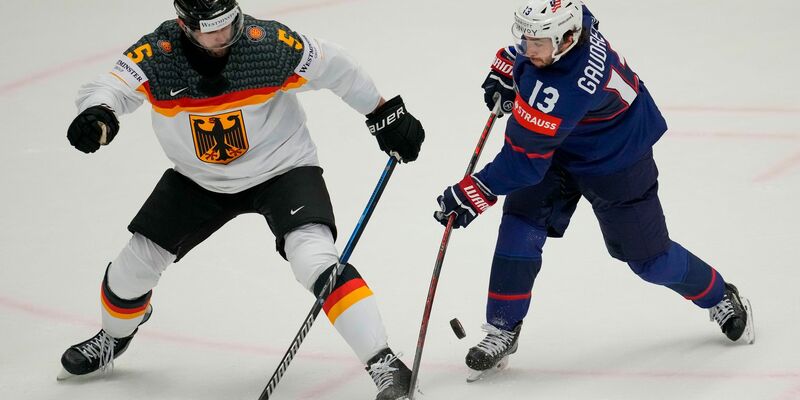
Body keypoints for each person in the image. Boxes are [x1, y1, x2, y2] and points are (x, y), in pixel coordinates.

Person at [59, 1, 424, 399]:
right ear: (184, 27)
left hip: (282, 169)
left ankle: (383, 361)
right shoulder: (157, 55)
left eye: (229, 24)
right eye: (210, 30)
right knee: (134, 266)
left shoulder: (268, 44)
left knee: (315, 258)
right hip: (199, 180)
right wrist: (97, 112)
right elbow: (108, 87)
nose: (223, 37)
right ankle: (115, 336)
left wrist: (384, 112)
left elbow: (336, 66)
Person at [434, 0, 754, 380]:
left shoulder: (566, 86)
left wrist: (474, 191)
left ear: (567, 40)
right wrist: (511, 67)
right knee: (521, 223)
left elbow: (523, 162)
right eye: (527, 39)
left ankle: (719, 295)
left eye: (538, 44)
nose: (528, 48)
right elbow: (529, 54)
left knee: (650, 260)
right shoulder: (572, 27)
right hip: (562, 144)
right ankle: (504, 326)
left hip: (616, 159)